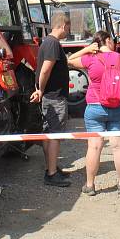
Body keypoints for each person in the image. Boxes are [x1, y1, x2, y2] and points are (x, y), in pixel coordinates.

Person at [69, 30, 120, 196]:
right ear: (108, 40)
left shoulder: (91, 58)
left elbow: (69, 60)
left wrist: (87, 49)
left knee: (94, 146)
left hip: (95, 106)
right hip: (118, 106)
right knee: (118, 146)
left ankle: (90, 185)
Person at [30, 12, 72, 187]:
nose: (68, 31)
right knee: (55, 135)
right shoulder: (54, 44)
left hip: (49, 96)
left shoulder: (46, 42)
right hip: (54, 97)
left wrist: (40, 89)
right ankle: (52, 174)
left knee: (48, 133)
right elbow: (45, 70)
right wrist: (40, 89)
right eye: (68, 28)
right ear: (62, 26)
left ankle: (51, 167)